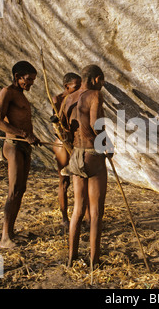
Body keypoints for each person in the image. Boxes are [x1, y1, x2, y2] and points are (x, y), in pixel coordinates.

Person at [62, 65, 111, 268]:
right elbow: (94, 124)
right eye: (102, 82)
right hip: (92, 155)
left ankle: (71, 258)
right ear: (97, 79)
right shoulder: (95, 95)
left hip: (75, 155)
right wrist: (107, 144)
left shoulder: (69, 98)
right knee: (96, 212)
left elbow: (64, 130)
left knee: (78, 210)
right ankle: (94, 260)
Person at [0, 61, 41, 249]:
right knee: (13, 191)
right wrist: (24, 135)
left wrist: (31, 137)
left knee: (21, 190)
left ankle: (11, 232)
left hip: (24, 146)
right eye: (28, 80)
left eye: (33, 81)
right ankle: (4, 238)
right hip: (13, 145)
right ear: (17, 77)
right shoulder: (7, 92)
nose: (30, 84)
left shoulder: (20, 95)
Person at [51, 73, 81, 231]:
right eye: (75, 87)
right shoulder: (58, 99)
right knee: (64, 181)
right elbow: (59, 125)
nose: (79, 89)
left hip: (76, 143)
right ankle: (64, 218)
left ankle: (82, 215)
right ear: (66, 87)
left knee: (81, 180)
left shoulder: (78, 97)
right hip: (63, 144)